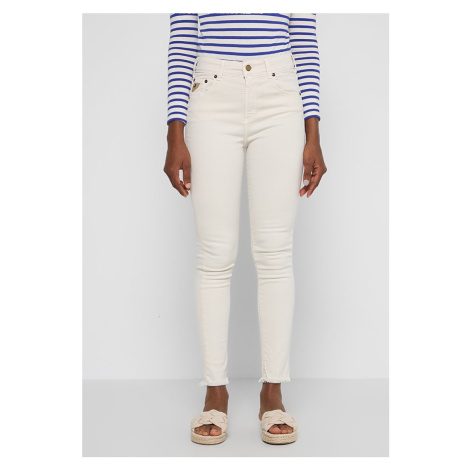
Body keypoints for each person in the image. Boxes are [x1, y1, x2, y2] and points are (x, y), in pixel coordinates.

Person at [164, 13, 327, 445]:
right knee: (215, 253)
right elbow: (182, 41)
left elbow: (304, 41)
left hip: (280, 94)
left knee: (275, 252)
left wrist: (313, 132)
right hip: (211, 93)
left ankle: (272, 391)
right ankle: (214, 393)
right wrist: (175, 133)